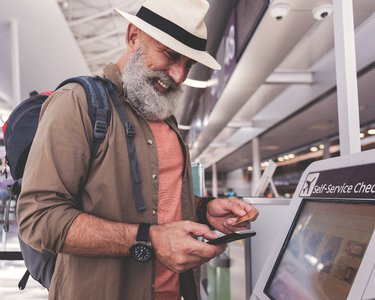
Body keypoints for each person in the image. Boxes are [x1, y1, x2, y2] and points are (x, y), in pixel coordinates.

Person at [17, 0, 258, 299]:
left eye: (188, 64)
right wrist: (151, 240)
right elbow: (38, 218)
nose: (180, 75)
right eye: (170, 55)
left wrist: (203, 209)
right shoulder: (77, 103)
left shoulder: (164, 117)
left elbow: (157, 202)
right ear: (133, 37)